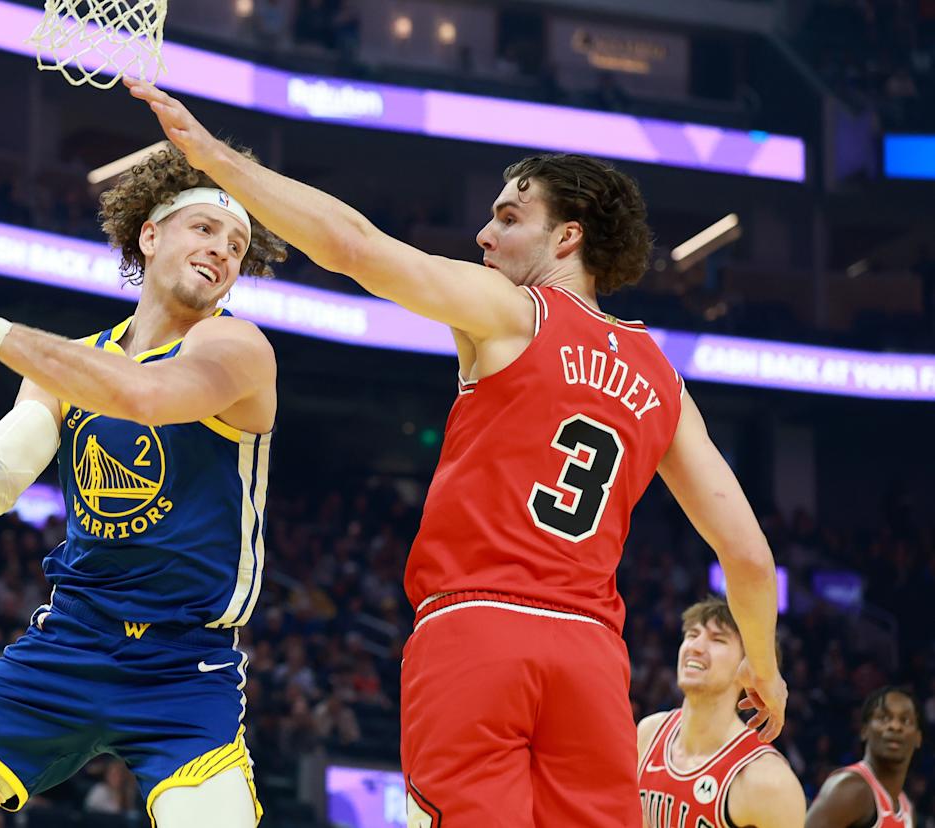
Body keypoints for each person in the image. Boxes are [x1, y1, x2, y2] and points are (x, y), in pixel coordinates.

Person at [127, 78, 786, 827]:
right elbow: (749, 557)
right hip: (592, 656)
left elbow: (353, 247)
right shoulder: (662, 378)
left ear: (566, 237)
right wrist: (762, 666)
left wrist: (213, 156)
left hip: (476, 630)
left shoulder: (512, 310)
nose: (484, 234)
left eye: (509, 216)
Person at [0, 145, 287, 828]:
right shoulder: (67, 368)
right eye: (205, 228)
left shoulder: (237, 349)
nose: (223, 250)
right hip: (68, 644)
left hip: (183, 669)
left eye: (237, 244)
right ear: (151, 235)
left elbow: (149, 394)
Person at [637, 598, 805, 827]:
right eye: (692, 635)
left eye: (717, 639)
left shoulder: (769, 781)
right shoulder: (648, 733)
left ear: (751, 669)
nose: (695, 647)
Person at [806, 687, 921, 827]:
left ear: (918, 738)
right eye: (884, 718)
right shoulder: (851, 788)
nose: (895, 726)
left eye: (905, 720)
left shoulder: (908, 811)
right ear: (864, 730)